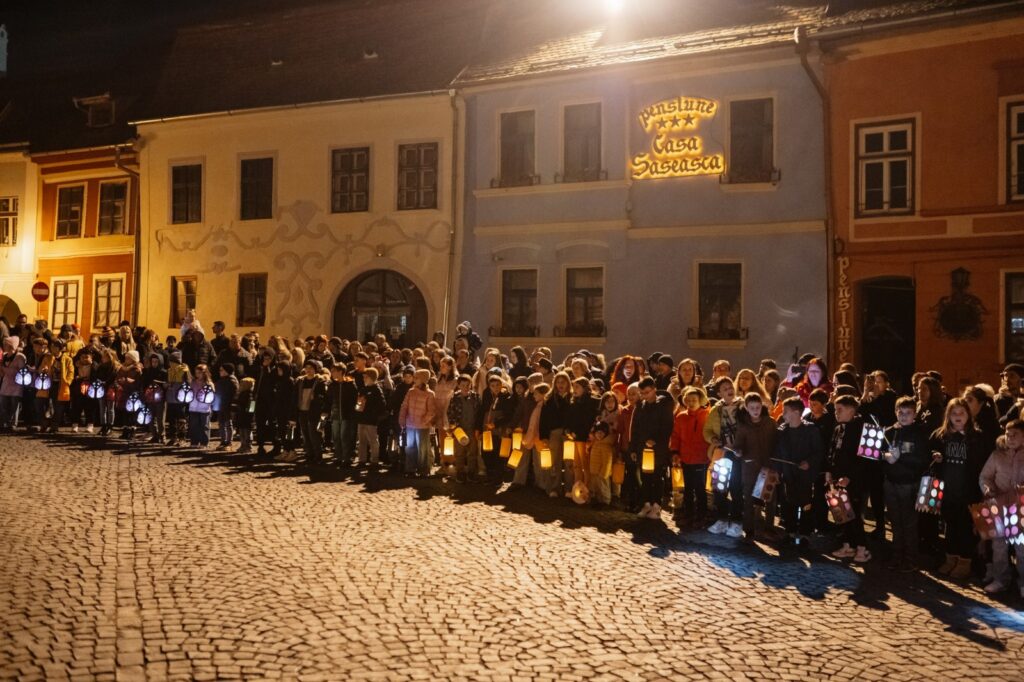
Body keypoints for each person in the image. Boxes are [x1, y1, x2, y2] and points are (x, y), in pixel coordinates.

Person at [930, 397, 986, 580]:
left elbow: (981, 464)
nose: (958, 416)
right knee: (950, 527)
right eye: (954, 413)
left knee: (965, 529)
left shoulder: (976, 437)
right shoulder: (941, 435)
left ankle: (964, 561)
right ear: (948, 415)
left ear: (968, 415)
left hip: (967, 492)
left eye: (962, 413)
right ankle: (950, 558)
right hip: (947, 491)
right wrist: (935, 457)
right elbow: (929, 451)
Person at [882, 396, 931, 572]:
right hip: (891, 483)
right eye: (900, 412)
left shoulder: (919, 434)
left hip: (909, 484)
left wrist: (901, 458)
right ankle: (896, 555)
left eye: (908, 413)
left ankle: (911, 559)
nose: (903, 416)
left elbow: (923, 459)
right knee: (895, 522)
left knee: (909, 523)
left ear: (914, 414)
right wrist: (886, 457)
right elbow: (878, 454)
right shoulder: (888, 432)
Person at [978, 420, 1024, 596]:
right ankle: (1000, 579)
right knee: (999, 545)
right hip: (999, 505)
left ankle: (1023, 582)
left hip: (1020, 509)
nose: (1010, 438)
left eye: (1015, 435)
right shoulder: (997, 455)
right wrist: (987, 488)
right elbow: (985, 476)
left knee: (1021, 547)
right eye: (1008, 434)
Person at [827, 395, 871, 563]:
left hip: (854, 482)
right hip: (837, 479)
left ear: (852, 410)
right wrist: (829, 471)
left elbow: (863, 459)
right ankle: (848, 545)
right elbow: (832, 450)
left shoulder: (861, 430)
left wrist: (850, 477)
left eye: (840, 410)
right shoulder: (839, 428)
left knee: (853, 515)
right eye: (835, 409)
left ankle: (862, 548)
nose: (836, 413)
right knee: (842, 514)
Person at [773, 397, 823, 544]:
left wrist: (809, 462)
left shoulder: (811, 430)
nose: (782, 414)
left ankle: (805, 533)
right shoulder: (782, 431)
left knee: (806, 503)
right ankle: (790, 531)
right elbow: (776, 453)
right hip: (788, 473)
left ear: (796, 412)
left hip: (805, 475)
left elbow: (819, 451)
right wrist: (777, 470)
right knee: (788, 503)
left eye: (785, 411)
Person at [734, 393, 778, 541]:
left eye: (758, 407)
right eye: (752, 407)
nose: (755, 410)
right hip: (750, 466)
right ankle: (749, 529)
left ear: (762, 406)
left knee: (770, 497)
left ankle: (769, 527)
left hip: (768, 465)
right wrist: (738, 451)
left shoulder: (770, 422)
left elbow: (776, 441)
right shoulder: (743, 425)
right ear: (746, 408)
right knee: (748, 497)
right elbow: (738, 444)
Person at [629, 376, 675, 520]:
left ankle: (656, 505)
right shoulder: (640, 406)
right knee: (645, 477)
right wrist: (633, 448)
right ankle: (646, 503)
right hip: (642, 448)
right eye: (642, 393)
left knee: (657, 477)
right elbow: (635, 429)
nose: (644, 396)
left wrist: (656, 441)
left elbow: (667, 427)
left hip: (658, 449)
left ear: (654, 390)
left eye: (647, 392)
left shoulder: (664, 405)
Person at [704, 377, 742, 533]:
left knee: (736, 487)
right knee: (720, 487)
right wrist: (713, 438)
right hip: (722, 453)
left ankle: (737, 522)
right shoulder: (716, 410)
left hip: (739, 454)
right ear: (719, 393)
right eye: (724, 388)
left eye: (730, 386)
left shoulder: (743, 406)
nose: (728, 390)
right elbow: (707, 430)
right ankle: (721, 519)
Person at [669, 386, 710, 528]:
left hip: (701, 458)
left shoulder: (707, 415)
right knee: (687, 488)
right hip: (686, 458)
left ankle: (701, 515)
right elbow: (676, 436)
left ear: (700, 401)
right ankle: (688, 514)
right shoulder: (681, 417)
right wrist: (675, 452)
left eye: (695, 400)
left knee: (700, 489)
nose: (692, 403)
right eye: (689, 400)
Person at [399, 368, 436, 477]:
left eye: (416, 378)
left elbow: (431, 410)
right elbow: (404, 406)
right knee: (410, 447)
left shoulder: (429, 394)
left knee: (423, 449)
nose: (414, 380)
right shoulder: (411, 392)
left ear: (423, 380)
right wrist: (402, 419)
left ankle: (424, 469)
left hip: (422, 426)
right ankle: (410, 468)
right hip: (410, 424)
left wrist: (424, 420)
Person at [447, 374, 482, 483]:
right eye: (463, 385)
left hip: (472, 428)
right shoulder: (455, 398)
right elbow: (450, 413)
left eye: (468, 385)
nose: (466, 387)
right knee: (459, 453)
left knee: (472, 452)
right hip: (460, 429)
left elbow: (479, 413)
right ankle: (460, 472)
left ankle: (471, 473)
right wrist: (453, 426)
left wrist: (478, 427)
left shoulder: (475, 397)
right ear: (459, 385)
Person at [295, 359, 328, 468]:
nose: (308, 370)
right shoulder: (300, 381)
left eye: (311, 368)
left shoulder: (320, 382)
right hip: (303, 411)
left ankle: (318, 456)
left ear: (315, 370)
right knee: (305, 434)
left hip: (314, 412)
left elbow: (324, 398)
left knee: (315, 435)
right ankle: (309, 455)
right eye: (307, 368)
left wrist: (316, 398)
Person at [355, 366, 387, 468]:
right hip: (362, 418)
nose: (364, 379)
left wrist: (374, 413)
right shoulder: (363, 389)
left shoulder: (377, 390)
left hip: (371, 420)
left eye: (366, 377)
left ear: (372, 378)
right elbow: (358, 403)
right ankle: (362, 460)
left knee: (373, 441)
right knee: (362, 441)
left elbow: (382, 405)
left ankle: (374, 460)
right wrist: (358, 409)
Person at [141, 352, 168, 444]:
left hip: (160, 399)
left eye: (156, 362)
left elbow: (166, 385)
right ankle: (154, 435)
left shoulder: (164, 372)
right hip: (150, 398)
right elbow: (144, 383)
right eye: (153, 362)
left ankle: (162, 435)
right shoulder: (148, 372)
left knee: (160, 419)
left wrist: (164, 385)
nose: (154, 364)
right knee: (151, 418)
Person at [187, 364, 215, 449]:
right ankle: (194, 441)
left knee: (204, 426)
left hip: (204, 408)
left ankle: (204, 442)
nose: (198, 374)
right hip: (193, 407)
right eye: (196, 373)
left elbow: (212, 395)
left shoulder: (209, 383)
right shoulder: (193, 382)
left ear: (205, 373)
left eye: (200, 373)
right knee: (194, 425)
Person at [588, 421, 615, 506]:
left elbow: (607, 461)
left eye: (601, 433)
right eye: (597, 432)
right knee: (596, 487)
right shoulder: (596, 443)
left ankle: (605, 501)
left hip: (602, 472)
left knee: (604, 487)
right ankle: (598, 500)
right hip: (595, 470)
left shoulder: (606, 445)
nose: (599, 434)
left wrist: (604, 473)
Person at [215, 363, 239, 451]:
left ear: (227, 371)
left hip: (228, 405)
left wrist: (233, 405)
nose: (220, 372)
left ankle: (229, 442)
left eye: (222, 370)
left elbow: (235, 394)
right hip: (221, 405)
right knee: (221, 424)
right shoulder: (221, 380)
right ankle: (223, 441)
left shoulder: (232, 381)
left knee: (228, 424)